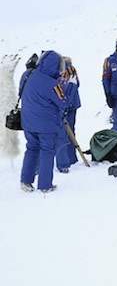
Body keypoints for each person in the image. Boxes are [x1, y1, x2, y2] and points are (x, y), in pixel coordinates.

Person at [20, 51, 67, 193]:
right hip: (46, 124)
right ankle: (45, 185)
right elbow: (63, 102)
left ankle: (25, 181)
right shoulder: (52, 84)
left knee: (31, 149)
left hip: (28, 122)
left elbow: (20, 93)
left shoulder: (27, 75)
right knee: (47, 151)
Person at [56, 57, 81, 173]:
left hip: (67, 106)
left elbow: (66, 90)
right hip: (72, 105)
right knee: (70, 132)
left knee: (65, 133)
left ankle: (67, 159)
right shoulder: (73, 72)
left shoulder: (66, 74)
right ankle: (71, 158)